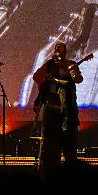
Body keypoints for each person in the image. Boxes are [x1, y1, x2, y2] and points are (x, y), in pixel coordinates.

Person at [33, 42, 83, 171]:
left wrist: (70, 73)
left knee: (69, 147)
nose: (58, 52)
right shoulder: (49, 65)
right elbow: (38, 78)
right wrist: (39, 99)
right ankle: (48, 173)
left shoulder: (71, 64)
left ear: (66, 52)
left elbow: (78, 79)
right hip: (51, 112)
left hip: (68, 112)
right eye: (56, 49)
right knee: (50, 148)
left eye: (61, 50)